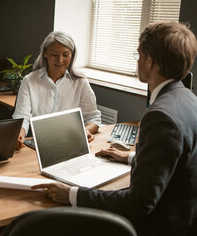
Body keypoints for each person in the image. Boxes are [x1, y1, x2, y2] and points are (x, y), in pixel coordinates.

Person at [32, 21, 197, 236]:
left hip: (159, 227)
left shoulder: (160, 116)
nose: (137, 61)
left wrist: (72, 194)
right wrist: (129, 157)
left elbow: (139, 202)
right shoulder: (189, 99)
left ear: (149, 60)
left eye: (138, 55)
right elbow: (173, 161)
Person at [12, 31, 101, 147]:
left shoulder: (81, 83)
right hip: (40, 144)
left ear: (72, 55)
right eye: (54, 55)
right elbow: (22, 116)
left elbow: (93, 118)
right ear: (45, 53)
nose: (60, 60)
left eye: (65, 55)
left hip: (72, 143)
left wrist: (85, 131)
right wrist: (20, 134)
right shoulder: (29, 81)